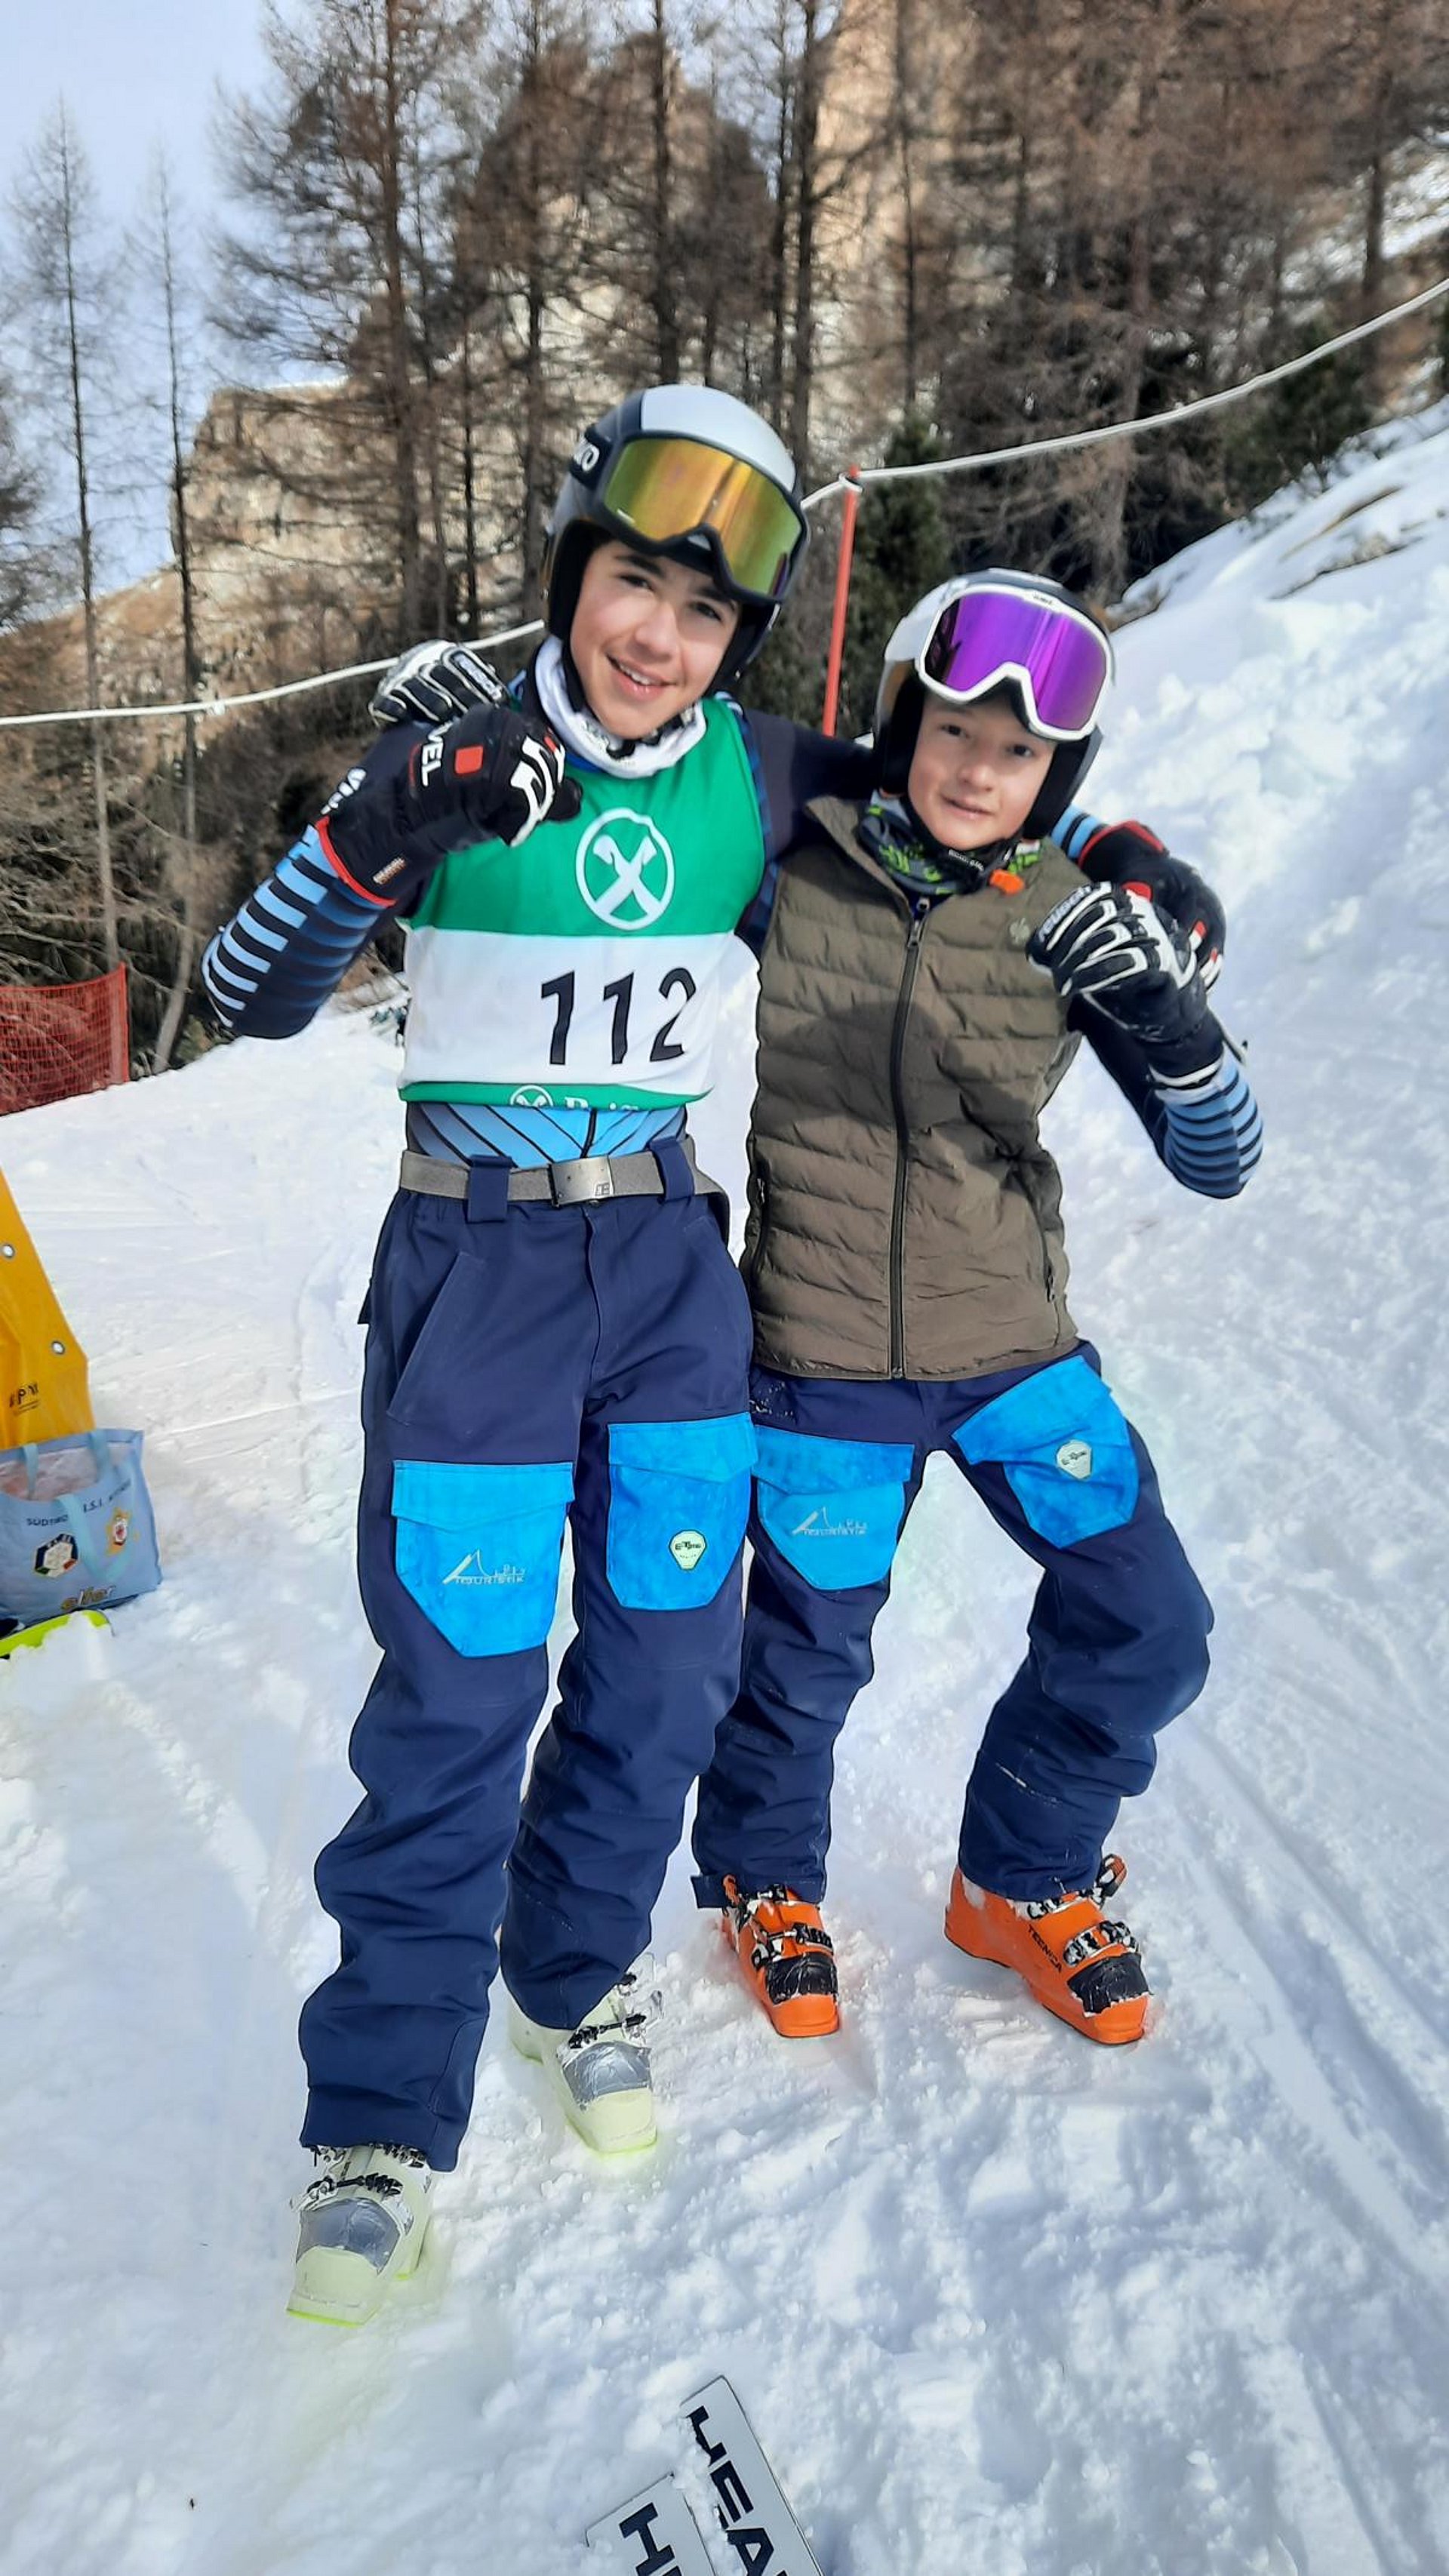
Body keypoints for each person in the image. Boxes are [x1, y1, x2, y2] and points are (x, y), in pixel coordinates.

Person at [202, 384, 882, 2326]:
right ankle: (379, 2127)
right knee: (459, 1696)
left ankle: (571, 1970)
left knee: (669, 1664)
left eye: (704, 608)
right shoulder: (460, 747)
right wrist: (377, 822)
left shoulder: (756, 774)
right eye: (632, 581)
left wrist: (1116, 851)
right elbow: (246, 993)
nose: (658, 634)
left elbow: (950, 819)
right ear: (573, 569)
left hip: (666, 1261)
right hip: (477, 1267)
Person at [686, 572, 1263, 2048]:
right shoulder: (796, 862)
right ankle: (763, 1877)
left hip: (1014, 1351)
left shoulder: (1076, 916)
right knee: (803, 1661)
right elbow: (683, 731)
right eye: (951, 730)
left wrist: (1174, 1018)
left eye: (1017, 754)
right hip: (821, 1356)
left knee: (1151, 1621)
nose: (977, 769)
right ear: (903, 724)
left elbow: (1220, 1160)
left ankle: (1023, 1875)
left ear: (1055, 775)